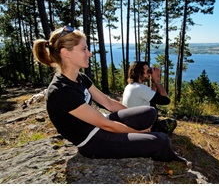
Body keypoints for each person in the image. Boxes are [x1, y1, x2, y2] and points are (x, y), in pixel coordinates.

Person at [32, 26, 190, 164]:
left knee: (149, 112)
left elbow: (108, 102)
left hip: (102, 124)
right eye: (84, 49)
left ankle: (149, 133)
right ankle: (168, 154)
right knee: (160, 140)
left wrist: (131, 115)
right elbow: (106, 125)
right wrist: (138, 132)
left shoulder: (79, 77)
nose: (89, 53)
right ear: (66, 53)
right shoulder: (61, 91)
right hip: (94, 141)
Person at [122, 61, 177, 135]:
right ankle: (156, 136)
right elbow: (166, 100)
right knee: (172, 122)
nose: (149, 73)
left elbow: (152, 98)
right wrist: (157, 81)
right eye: (148, 71)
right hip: (143, 127)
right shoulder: (140, 88)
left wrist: (153, 83)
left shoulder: (130, 86)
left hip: (133, 123)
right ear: (140, 73)